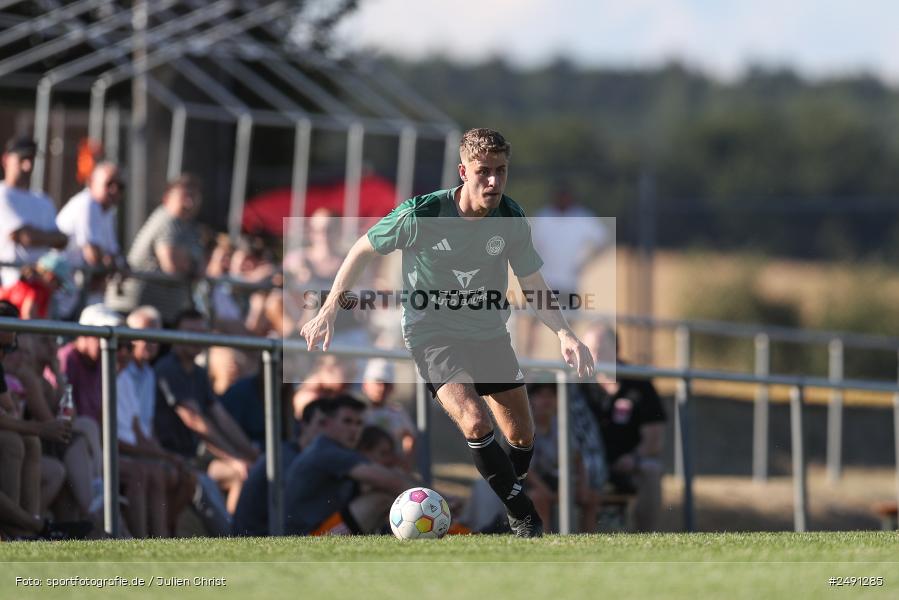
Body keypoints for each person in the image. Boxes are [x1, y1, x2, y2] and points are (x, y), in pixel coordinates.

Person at [301, 128, 595, 537]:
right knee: (475, 422)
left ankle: (502, 516)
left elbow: (532, 283)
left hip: (489, 335)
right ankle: (523, 515)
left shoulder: (510, 217)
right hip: (432, 334)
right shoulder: (422, 213)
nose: (493, 181)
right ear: (463, 171)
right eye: (483, 172)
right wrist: (330, 307)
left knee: (522, 436)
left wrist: (564, 332)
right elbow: (363, 248)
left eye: (501, 171)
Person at [154, 309, 260, 514]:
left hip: (191, 458)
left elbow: (221, 417)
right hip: (169, 457)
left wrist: (249, 452)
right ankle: (233, 536)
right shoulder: (168, 368)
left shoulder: (199, 372)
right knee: (238, 472)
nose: (196, 339)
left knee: (250, 468)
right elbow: (194, 421)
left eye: (201, 332)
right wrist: (235, 459)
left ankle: (237, 534)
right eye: (190, 332)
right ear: (174, 334)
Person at [284, 394, 416, 536]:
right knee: (381, 498)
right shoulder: (327, 451)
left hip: (322, 527)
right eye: (347, 421)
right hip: (310, 536)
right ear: (328, 423)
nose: (354, 429)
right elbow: (393, 482)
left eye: (359, 423)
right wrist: (436, 502)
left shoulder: (331, 448)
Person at [117, 306, 196, 536]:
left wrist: (163, 455)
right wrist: (163, 456)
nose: (150, 342)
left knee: (184, 476)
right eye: (144, 335)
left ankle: (163, 535)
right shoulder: (121, 372)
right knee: (156, 471)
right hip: (127, 451)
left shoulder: (149, 373)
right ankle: (152, 539)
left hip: (138, 448)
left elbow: (145, 429)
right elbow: (132, 431)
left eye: (155, 336)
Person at [579, 324, 666, 532]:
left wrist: (634, 457)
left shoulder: (639, 382)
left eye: (599, 349)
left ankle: (646, 539)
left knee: (651, 470)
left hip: (626, 463)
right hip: (585, 465)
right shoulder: (577, 385)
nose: (593, 356)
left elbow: (655, 437)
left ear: (617, 349)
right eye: (588, 350)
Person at [106, 174, 203, 325]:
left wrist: (191, 265)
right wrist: (191, 265)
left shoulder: (189, 227)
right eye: (185, 196)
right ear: (167, 198)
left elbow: (201, 268)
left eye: (194, 196)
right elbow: (172, 266)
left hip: (162, 311)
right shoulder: (168, 220)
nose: (189, 203)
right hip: (137, 311)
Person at [526, 186, 609, 355]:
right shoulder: (543, 217)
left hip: (569, 283)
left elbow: (603, 238)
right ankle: (527, 367)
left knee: (568, 327)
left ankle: (566, 367)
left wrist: (586, 261)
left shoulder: (582, 218)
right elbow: (527, 243)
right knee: (534, 323)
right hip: (544, 281)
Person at [56, 161, 124, 315]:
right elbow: (93, 256)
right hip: (62, 289)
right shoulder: (87, 204)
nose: (114, 190)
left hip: (78, 291)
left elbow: (114, 256)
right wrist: (109, 265)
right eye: (109, 183)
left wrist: (111, 264)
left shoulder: (108, 212)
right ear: (92, 182)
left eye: (120, 186)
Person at [0, 136, 68, 287]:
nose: (27, 166)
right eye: (22, 159)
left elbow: (62, 240)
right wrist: (42, 237)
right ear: (5, 159)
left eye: (31, 159)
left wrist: (34, 235)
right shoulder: (3, 194)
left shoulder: (43, 200)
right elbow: (25, 237)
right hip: (11, 286)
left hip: (44, 287)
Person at [360, 359, 416, 471]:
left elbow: (410, 435)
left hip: (389, 468)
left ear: (392, 388)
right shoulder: (357, 411)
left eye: (386, 384)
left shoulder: (397, 412)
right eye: (377, 383)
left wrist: (405, 460)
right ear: (365, 385)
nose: (381, 388)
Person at [0, 251, 71, 319]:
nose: (57, 290)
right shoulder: (36, 291)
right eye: (58, 285)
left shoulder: (34, 287)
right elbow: (28, 317)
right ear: (50, 277)